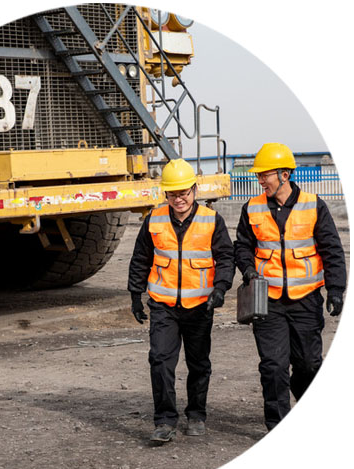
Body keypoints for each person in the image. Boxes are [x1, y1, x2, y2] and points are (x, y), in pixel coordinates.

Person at [234, 143, 346, 431]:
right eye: (258, 175)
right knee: (273, 367)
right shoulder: (253, 208)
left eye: (265, 175)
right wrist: (247, 269)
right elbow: (242, 246)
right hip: (267, 300)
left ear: (284, 174)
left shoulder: (314, 205)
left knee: (308, 364)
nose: (260, 180)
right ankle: (277, 426)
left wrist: (335, 290)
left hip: (305, 300)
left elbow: (332, 249)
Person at [128, 158, 235, 443]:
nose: (179, 199)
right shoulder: (154, 219)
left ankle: (197, 414)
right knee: (160, 361)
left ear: (194, 190)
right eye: (173, 194)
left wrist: (221, 288)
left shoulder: (212, 220)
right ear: (166, 194)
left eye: (184, 193)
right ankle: (164, 421)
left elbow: (226, 257)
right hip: (163, 305)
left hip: (200, 305)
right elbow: (141, 258)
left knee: (199, 363)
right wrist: (135, 294)